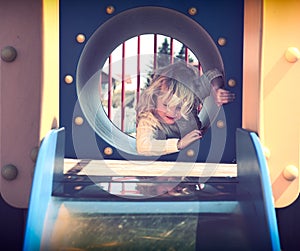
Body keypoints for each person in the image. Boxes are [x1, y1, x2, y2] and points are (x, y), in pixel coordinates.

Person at [136, 61, 234, 156]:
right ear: (155, 97)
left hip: (200, 152)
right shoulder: (149, 119)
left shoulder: (190, 96)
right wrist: (179, 144)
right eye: (165, 105)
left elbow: (213, 74)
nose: (172, 112)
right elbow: (144, 146)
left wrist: (215, 90)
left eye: (179, 107)